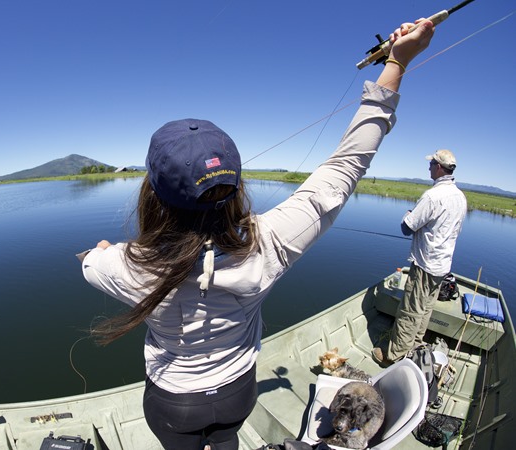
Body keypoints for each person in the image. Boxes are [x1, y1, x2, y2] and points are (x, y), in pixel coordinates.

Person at [80, 19, 436, 450]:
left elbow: (90, 263)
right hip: (236, 393)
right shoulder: (268, 243)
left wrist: (101, 252)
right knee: (227, 440)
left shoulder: (126, 264)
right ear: (234, 187)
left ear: (153, 196)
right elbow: (344, 169)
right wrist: (397, 62)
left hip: (173, 404)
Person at [372, 149, 466, 367]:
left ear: (440, 167)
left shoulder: (433, 196)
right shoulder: (460, 197)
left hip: (425, 264)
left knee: (409, 311)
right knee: (425, 308)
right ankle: (415, 343)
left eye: (432, 163)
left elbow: (407, 227)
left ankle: (393, 356)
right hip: (442, 266)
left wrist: (407, 214)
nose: (429, 167)